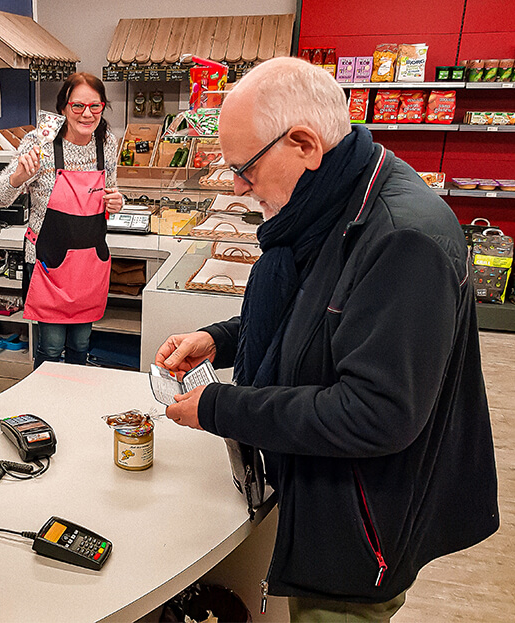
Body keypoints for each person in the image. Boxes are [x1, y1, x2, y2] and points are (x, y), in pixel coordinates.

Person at [155, 57, 498, 621]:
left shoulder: (401, 238)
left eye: (246, 168)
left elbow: (376, 412)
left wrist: (222, 406)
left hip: (360, 532)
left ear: (305, 144)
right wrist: (222, 340)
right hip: (325, 500)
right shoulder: (337, 203)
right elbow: (324, 319)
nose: (240, 187)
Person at [0, 72, 123, 368]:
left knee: (81, 345)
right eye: (77, 106)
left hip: (89, 262)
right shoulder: (40, 144)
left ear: (102, 107)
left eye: (95, 106)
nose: (86, 114)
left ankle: (73, 408)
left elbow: (109, 190)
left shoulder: (107, 143)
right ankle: (43, 408)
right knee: (50, 348)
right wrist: (18, 177)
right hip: (48, 262)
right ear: (63, 108)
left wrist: (116, 201)